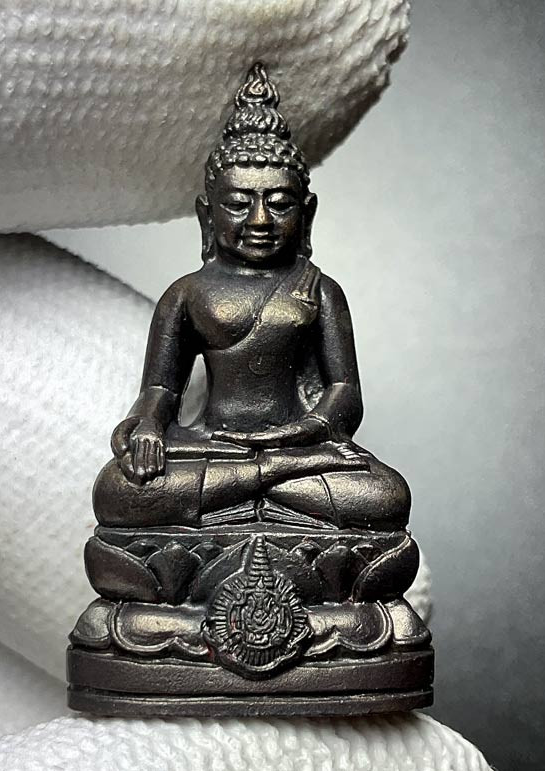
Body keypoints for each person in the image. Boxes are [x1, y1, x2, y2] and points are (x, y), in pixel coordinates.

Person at [93, 63, 410, 533]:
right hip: (213, 445)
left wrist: (306, 431)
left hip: (298, 447)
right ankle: (266, 482)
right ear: (207, 216)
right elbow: (160, 391)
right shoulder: (186, 294)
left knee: (384, 497)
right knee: (118, 491)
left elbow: (344, 391)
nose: (260, 220)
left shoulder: (321, 289)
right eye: (238, 204)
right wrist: (148, 428)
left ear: (307, 214)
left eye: (279, 204)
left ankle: (253, 485)